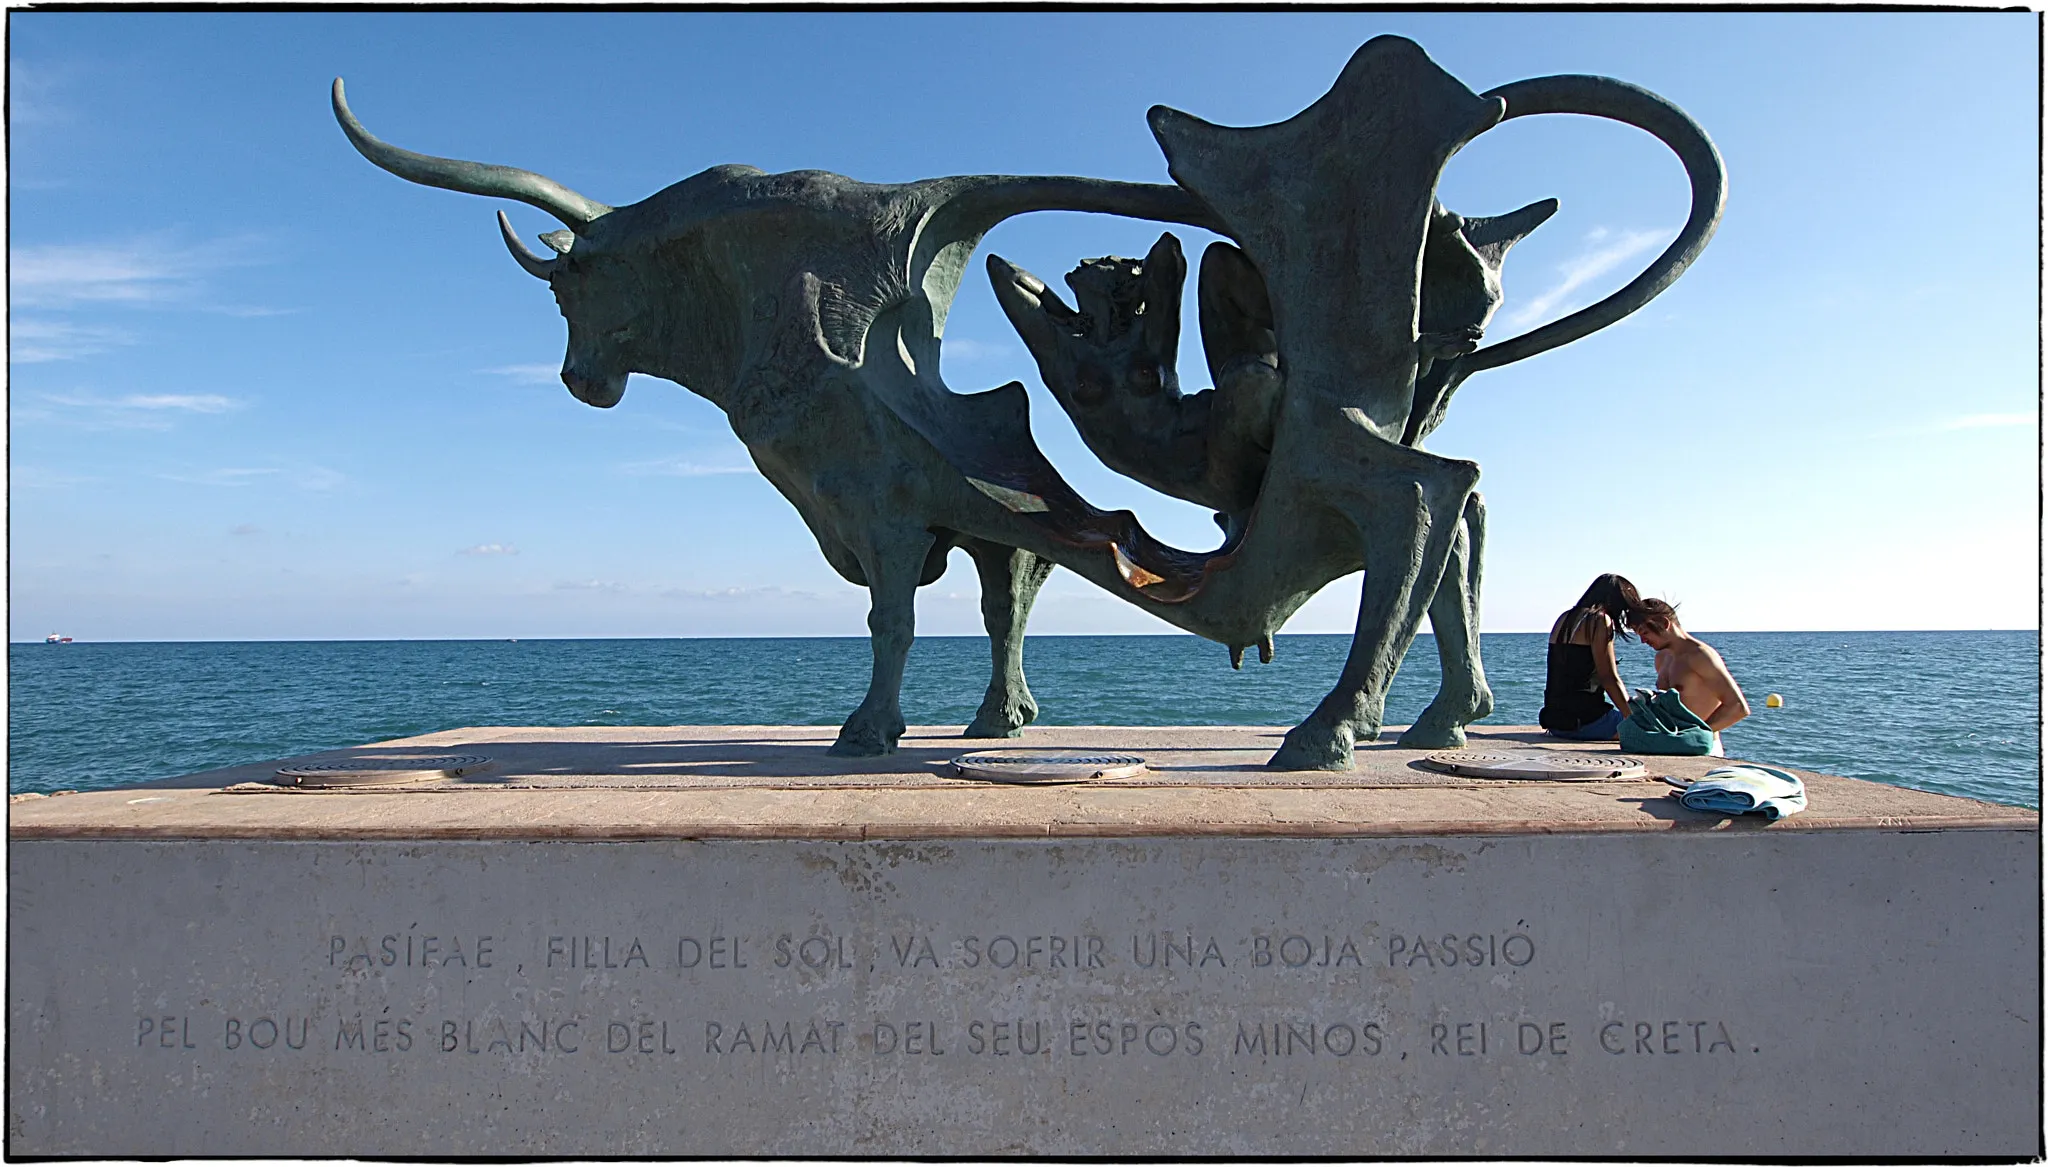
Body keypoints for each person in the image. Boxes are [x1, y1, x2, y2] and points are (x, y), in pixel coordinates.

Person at [1626, 599, 1751, 756]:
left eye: (1645, 633)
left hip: (1702, 749)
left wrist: (1697, 735)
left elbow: (1738, 707)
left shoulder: (1700, 656)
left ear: (1665, 623)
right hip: (1670, 746)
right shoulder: (1662, 658)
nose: (1643, 641)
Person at [1539, 574, 1642, 741]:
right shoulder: (1599, 620)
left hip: (1556, 721)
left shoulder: (1565, 618)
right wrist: (1633, 719)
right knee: (1649, 726)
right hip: (1586, 722)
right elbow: (1609, 677)